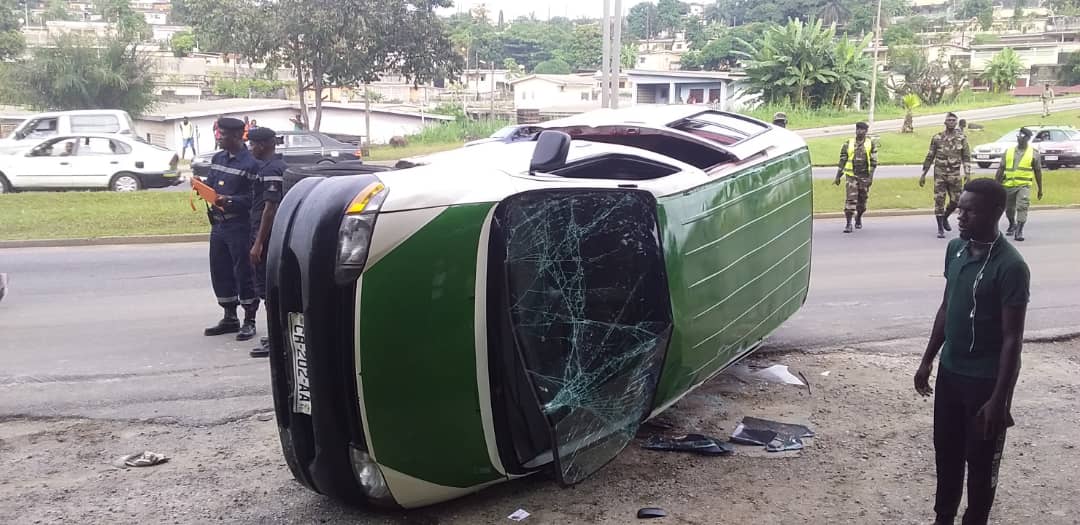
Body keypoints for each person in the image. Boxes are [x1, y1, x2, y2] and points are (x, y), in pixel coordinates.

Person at [914, 178, 1029, 525]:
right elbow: (947, 307)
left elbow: (1013, 339)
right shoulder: (956, 249)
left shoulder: (1011, 267)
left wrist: (999, 399)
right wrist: (927, 359)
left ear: (995, 213)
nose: (960, 216)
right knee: (946, 455)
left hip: (985, 384)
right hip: (951, 375)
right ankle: (943, 518)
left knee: (979, 466)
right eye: (959, 208)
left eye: (969, 211)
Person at [203, 117, 261, 342]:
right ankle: (229, 317)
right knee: (220, 270)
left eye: (224, 135)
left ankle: (249, 320)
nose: (220, 138)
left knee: (243, 272)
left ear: (238, 136)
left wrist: (232, 201)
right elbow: (212, 184)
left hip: (239, 224)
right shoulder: (218, 158)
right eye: (219, 134)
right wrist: (201, 187)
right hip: (219, 224)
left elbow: (255, 199)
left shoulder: (251, 164)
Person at [245, 127, 286, 358]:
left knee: (269, 290)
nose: (251, 149)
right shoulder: (274, 167)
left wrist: (258, 243)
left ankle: (276, 341)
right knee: (269, 289)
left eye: (253, 145)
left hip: (267, 237)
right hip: (266, 235)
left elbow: (270, 209)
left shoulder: (272, 169)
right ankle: (275, 335)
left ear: (262, 145)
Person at [920, 112, 971, 239]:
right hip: (940, 175)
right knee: (939, 200)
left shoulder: (962, 138)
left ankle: (945, 217)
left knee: (957, 201)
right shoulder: (937, 138)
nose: (951, 122)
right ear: (945, 122)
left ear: (956, 122)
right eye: (949, 120)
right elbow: (930, 156)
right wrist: (923, 174)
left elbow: (966, 157)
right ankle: (940, 228)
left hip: (954, 175)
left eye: (954, 120)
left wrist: (967, 174)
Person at [994, 128, 1044, 242]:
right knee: (1009, 209)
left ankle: (1019, 231)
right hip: (1008, 185)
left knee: (1023, 206)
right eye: (1018, 136)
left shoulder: (1034, 153)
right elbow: (1001, 169)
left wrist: (1040, 189)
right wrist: (995, 185)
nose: (1019, 138)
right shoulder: (1009, 151)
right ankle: (1012, 224)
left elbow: (1038, 172)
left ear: (1027, 138)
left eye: (1022, 136)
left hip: (1024, 185)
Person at [834, 121, 878, 233]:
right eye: (858, 129)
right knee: (850, 200)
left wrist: (870, 178)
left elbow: (873, 163)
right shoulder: (848, 143)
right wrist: (838, 176)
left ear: (866, 131)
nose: (859, 131)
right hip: (851, 177)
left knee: (862, 203)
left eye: (862, 129)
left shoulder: (870, 144)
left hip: (864, 177)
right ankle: (848, 224)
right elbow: (842, 160)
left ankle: (858, 217)